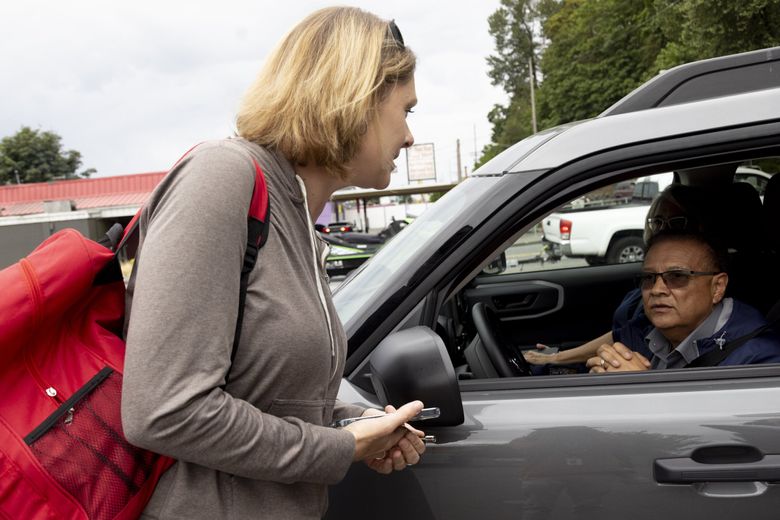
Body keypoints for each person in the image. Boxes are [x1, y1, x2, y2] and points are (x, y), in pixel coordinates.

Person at [121, 8, 425, 519]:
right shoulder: (223, 177)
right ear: (357, 98)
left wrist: (359, 424)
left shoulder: (298, 218)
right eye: (407, 110)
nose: (411, 136)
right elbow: (163, 410)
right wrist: (341, 448)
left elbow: (265, 398)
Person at [524, 183, 718, 368]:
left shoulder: (723, 333)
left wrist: (558, 358)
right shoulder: (650, 295)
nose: (662, 230)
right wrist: (557, 357)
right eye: (657, 222)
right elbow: (624, 335)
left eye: (677, 222)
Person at [587, 232, 780, 373]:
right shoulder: (647, 332)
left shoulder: (761, 361)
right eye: (648, 277)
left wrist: (642, 389)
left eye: (677, 276)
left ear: (717, 288)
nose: (656, 290)